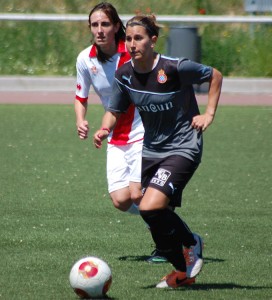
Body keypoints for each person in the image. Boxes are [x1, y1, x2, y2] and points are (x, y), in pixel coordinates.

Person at [93, 14, 223, 288]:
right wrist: (104, 129)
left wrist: (209, 114)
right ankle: (182, 270)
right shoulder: (125, 74)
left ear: (152, 41)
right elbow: (115, 109)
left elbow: (214, 75)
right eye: (128, 38)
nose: (131, 44)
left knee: (151, 205)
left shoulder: (174, 68)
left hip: (183, 146)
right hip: (152, 149)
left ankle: (191, 242)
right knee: (143, 204)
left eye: (138, 38)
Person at [74, 3, 167, 263]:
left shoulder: (132, 52)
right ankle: (163, 213)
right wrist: (81, 120)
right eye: (95, 25)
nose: (100, 30)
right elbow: (80, 95)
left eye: (105, 24)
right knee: (121, 200)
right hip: (114, 134)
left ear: (116, 26)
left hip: (143, 129)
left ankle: (167, 240)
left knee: (138, 193)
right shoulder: (85, 59)